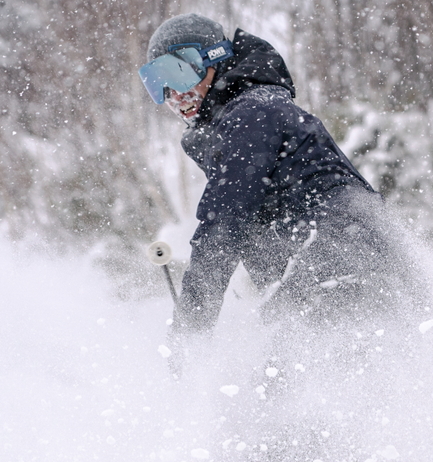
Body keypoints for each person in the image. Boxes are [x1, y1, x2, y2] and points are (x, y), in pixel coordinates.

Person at [138, 14, 412, 348]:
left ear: (214, 61)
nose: (173, 95)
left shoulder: (252, 113)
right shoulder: (243, 117)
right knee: (279, 376)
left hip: (345, 257)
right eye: (158, 83)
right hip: (341, 261)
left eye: (179, 74)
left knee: (283, 379)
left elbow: (224, 224)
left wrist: (190, 330)